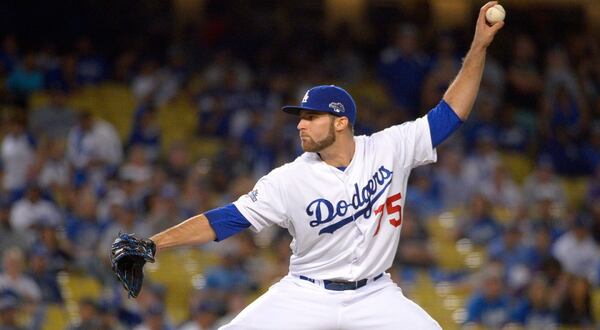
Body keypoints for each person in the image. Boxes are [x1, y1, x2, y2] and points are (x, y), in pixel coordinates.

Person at [118, 3, 503, 328]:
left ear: (341, 122)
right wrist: (155, 242)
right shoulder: (289, 178)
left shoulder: (390, 147)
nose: (300, 123)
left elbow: (451, 113)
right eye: (300, 116)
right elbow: (226, 219)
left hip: (375, 294)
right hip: (305, 292)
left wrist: (479, 46)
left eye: (311, 116)